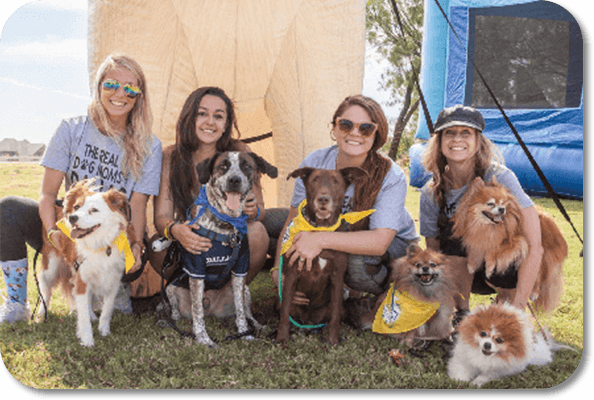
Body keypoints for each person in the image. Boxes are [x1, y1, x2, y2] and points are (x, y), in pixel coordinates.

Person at [0, 53, 163, 323]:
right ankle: (17, 302)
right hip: (70, 221)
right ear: (98, 87)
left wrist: (134, 245)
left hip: (113, 230)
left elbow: (137, 205)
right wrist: (54, 233)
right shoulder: (71, 129)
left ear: (139, 95)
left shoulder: (150, 146)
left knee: (117, 295)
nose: (120, 93)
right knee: (8, 210)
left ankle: (113, 289)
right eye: (111, 84)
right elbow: (48, 195)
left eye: (130, 88)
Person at [271, 95, 418, 328]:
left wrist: (318, 239)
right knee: (270, 224)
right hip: (332, 228)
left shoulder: (391, 176)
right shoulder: (317, 160)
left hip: (392, 246)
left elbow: (379, 241)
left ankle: (367, 293)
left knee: (354, 263)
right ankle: (303, 276)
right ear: (334, 128)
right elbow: (292, 221)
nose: (355, 133)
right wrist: (280, 271)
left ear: (376, 134)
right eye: (346, 125)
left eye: (366, 128)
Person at [151, 86, 270, 317]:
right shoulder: (171, 156)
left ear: (226, 123)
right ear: (190, 117)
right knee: (156, 245)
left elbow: (261, 211)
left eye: (218, 116)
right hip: (191, 241)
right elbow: (161, 217)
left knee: (258, 232)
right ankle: (187, 291)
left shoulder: (240, 151)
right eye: (202, 113)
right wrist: (177, 230)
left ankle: (229, 294)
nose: (210, 122)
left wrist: (253, 211)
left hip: (228, 240)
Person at [419, 104, 542, 311]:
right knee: (453, 231)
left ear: (478, 142)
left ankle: (507, 304)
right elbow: (434, 251)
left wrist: (520, 304)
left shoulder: (501, 177)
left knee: (511, 241)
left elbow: (535, 246)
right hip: (463, 270)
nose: (457, 139)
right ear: (439, 142)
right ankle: (461, 312)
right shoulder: (431, 193)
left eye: (466, 132)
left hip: (504, 270)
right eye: (450, 133)